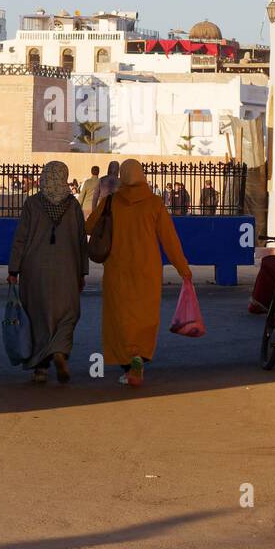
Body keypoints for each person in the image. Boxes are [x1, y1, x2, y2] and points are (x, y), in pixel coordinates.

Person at [85, 159, 191, 387]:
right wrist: (184, 270)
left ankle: (128, 364)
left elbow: (89, 226)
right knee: (144, 315)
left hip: (117, 268)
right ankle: (138, 359)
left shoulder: (111, 201)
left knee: (120, 316)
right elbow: (170, 240)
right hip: (147, 270)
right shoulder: (154, 203)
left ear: (123, 176)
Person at [8, 161, 88, 384]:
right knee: (68, 314)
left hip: (35, 270)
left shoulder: (32, 203)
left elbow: (21, 238)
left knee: (37, 316)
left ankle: (40, 368)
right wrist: (82, 271)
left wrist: (13, 268)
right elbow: (81, 240)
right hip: (67, 269)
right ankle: (60, 351)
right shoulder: (73, 205)